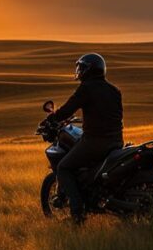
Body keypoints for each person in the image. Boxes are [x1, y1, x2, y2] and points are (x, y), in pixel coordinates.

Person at [46, 53, 123, 222]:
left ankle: (77, 214)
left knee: (64, 168)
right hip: (116, 142)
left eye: (81, 68)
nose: (79, 71)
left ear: (87, 69)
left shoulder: (86, 88)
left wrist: (51, 118)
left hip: (95, 143)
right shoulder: (114, 90)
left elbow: (67, 109)